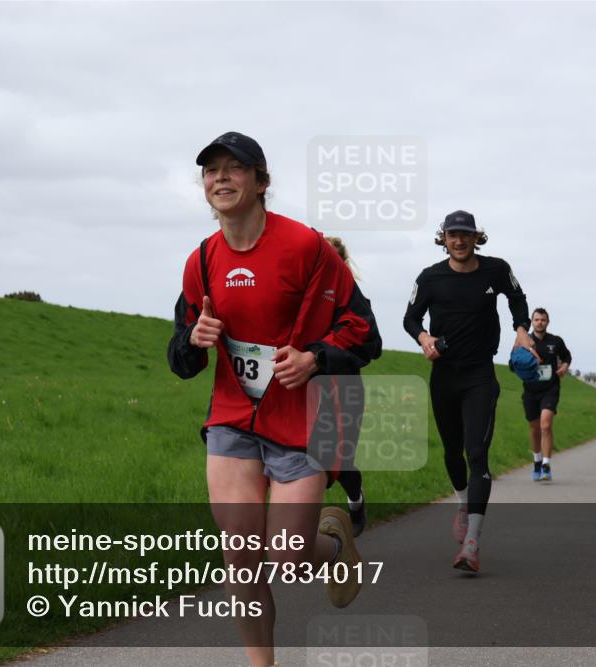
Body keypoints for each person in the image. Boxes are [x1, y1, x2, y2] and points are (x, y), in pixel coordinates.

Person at [167, 132, 382, 667]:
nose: (220, 178)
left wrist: (315, 357)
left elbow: (365, 332)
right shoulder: (201, 261)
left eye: (233, 169)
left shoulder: (306, 247)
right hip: (232, 420)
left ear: (261, 182)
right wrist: (193, 343)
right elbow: (180, 357)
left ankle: (333, 550)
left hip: (302, 417)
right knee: (240, 557)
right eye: (210, 171)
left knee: (287, 557)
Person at [403, 210, 536, 573]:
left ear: (476, 237)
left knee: (476, 452)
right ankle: (463, 503)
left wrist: (521, 328)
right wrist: (424, 337)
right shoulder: (430, 277)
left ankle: (473, 543)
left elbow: (517, 296)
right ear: (443, 238)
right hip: (444, 375)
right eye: (452, 235)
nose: (458, 240)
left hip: (480, 375)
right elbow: (410, 318)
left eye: (465, 234)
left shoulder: (495, 269)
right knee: (451, 451)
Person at [324, 236, 369, 536]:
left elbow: (368, 346)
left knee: (339, 460)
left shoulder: (354, 300)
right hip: (305, 388)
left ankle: (356, 501)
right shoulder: (304, 295)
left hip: (346, 387)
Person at [520, 308, 572, 481]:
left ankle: (546, 465)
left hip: (550, 389)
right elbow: (513, 364)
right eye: (536, 319)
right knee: (534, 428)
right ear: (532, 322)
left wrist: (564, 367)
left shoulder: (556, 341)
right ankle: (537, 460)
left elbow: (567, 356)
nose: (539, 322)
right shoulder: (524, 341)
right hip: (530, 390)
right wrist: (523, 367)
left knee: (545, 425)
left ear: (547, 322)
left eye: (543, 319)